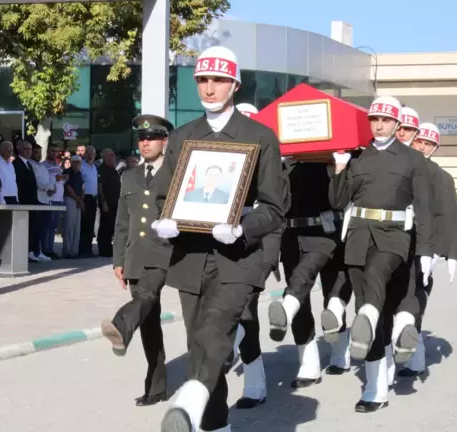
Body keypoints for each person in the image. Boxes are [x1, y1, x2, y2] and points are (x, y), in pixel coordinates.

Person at [153, 45, 285, 432]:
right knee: (201, 347)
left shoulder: (259, 136)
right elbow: (165, 195)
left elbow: (275, 206)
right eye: (203, 80)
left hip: (238, 257)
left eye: (219, 80)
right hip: (191, 259)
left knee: (214, 333)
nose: (209, 88)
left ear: (235, 85)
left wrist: (244, 228)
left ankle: (189, 407)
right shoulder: (181, 137)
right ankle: (215, 426)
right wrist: (167, 220)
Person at [329, 95, 433, 412]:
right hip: (359, 237)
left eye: (386, 120)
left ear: (397, 124)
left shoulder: (412, 160)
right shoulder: (358, 158)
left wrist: (427, 253)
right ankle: (375, 388)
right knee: (369, 311)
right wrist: (339, 166)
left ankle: (368, 319)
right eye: (375, 119)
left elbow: (425, 211)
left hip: (394, 240)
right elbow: (337, 201)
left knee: (375, 282)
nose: (380, 125)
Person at [101, 114, 175, 406]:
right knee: (150, 323)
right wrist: (118, 259)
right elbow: (122, 222)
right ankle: (156, 388)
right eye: (142, 139)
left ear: (164, 141)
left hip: (164, 251)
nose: (146, 143)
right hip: (135, 256)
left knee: (145, 297)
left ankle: (120, 325)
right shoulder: (128, 176)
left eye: (152, 138)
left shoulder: (174, 172)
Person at [223, 102, 289, 410]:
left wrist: (269, 256)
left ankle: (234, 360)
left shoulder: (271, 165)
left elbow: (275, 213)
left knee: (244, 308)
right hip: (223, 242)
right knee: (241, 314)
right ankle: (254, 381)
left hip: (258, 244)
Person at [267, 159, 352, 388]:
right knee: (301, 296)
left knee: (329, 291)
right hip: (291, 236)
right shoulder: (279, 163)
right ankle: (308, 364)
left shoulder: (327, 157)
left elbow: (340, 198)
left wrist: (338, 165)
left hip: (326, 231)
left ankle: (340, 352)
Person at [397, 122, 457, 377]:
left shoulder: (442, 177)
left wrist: (449, 253)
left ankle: (415, 357)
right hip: (402, 242)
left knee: (416, 290)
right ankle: (409, 352)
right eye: (419, 141)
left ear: (435, 148)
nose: (422, 147)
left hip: (430, 245)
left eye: (429, 144)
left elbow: (450, 216)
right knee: (404, 293)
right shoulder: (402, 168)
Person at [12, 139, 41, 262]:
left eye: (30, 149)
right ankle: (24, 252)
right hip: (23, 201)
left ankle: (30, 251)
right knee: (24, 229)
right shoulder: (17, 164)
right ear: (19, 150)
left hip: (33, 201)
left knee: (32, 228)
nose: (29, 152)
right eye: (26, 149)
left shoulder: (28, 164)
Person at [97, 148, 121, 257]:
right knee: (105, 227)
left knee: (112, 226)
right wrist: (103, 202)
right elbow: (100, 186)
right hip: (107, 203)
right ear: (105, 157)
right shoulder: (102, 169)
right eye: (111, 155)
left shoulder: (113, 169)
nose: (113, 157)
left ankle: (109, 249)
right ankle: (104, 249)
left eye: (113, 155)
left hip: (115, 203)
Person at [63, 155, 84, 258]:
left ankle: (74, 250)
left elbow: (82, 187)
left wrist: (81, 200)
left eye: (78, 162)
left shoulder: (80, 174)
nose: (77, 164)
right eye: (75, 162)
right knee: (69, 226)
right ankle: (67, 250)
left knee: (77, 226)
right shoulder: (67, 172)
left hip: (78, 201)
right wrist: (77, 199)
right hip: (70, 200)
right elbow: (68, 187)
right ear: (71, 162)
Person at [79, 146, 98, 257]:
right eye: (89, 153)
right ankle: (82, 249)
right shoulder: (82, 166)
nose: (91, 155)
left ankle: (89, 248)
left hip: (93, 198)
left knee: (90, 224)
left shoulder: (94, 167)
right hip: (85, 197)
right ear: (85, 154)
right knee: (84, 224)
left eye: (93, 154)